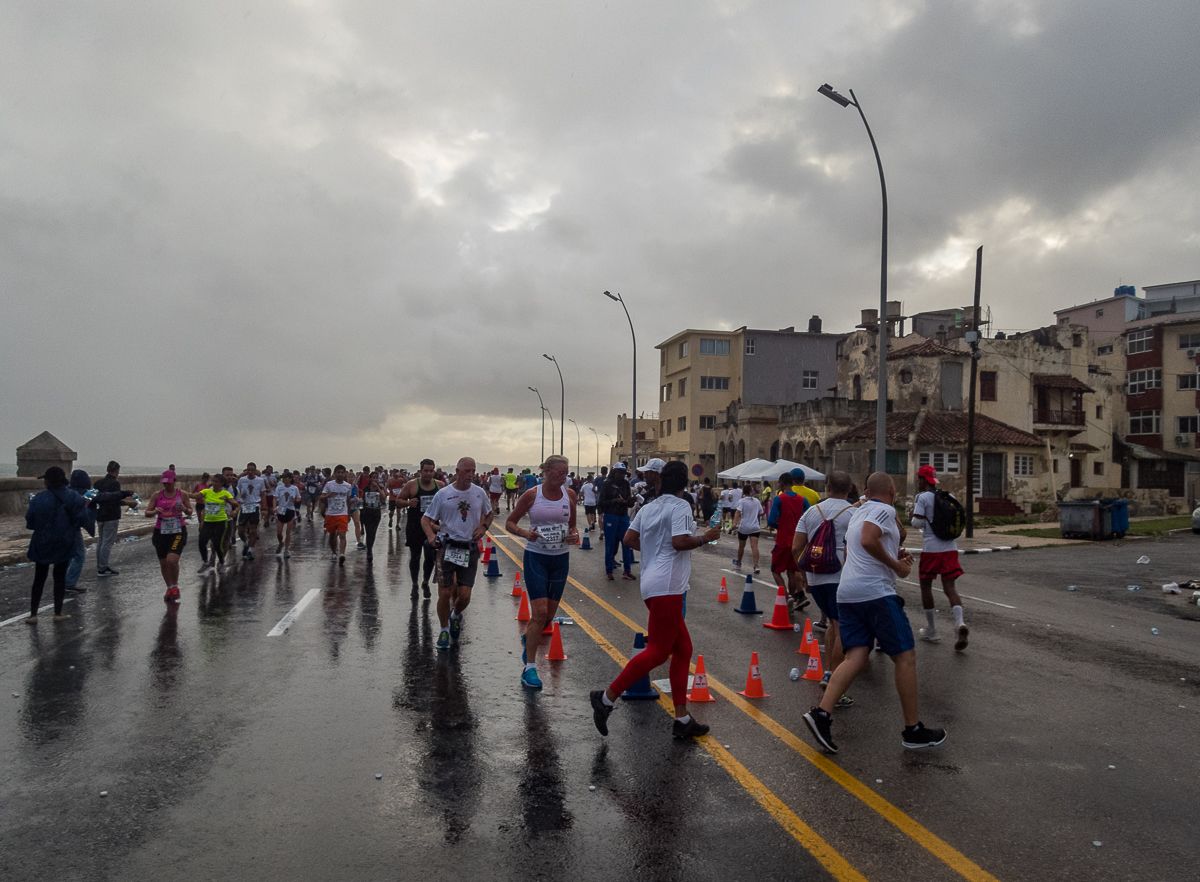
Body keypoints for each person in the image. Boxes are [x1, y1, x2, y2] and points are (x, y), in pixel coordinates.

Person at [803, 472, 946, 754]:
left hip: (847, 592)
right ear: (892, 490)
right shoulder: (884, 509)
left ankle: (821, 714)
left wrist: (895, 554)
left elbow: (855, 549)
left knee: (855, 655)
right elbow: (869, 540)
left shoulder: (859, 512)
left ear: (866, 491)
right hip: (875, 594)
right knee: (905, 656)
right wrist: (894, 565)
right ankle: (913, 729)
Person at [590, 461, 721, 739]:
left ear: (661, 480)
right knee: (659, 651)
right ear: (685, 483)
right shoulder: (681, 505)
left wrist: (653, 550)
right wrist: (705, 538)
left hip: (652, 582)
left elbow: (628, 539)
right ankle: (605, 699)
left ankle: (682, 719)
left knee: (683, 649)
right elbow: (680, 542)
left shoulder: (648, 507)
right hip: (668, 585)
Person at [506, 455, 579, 689]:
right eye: (560, 472)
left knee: (547, 617)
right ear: (546, 471)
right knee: (538, 614)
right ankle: (529, 669)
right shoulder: (532, 495)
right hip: (536, 557)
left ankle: (530, 638)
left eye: (566, 472)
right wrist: (525, 533)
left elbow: (573, 527)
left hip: (560, 559)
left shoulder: (570, 495)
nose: (564, 476)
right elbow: (510, 522)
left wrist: (574, 536)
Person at [793, 470, 857, 706]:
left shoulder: (811, 512)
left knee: (833, 623)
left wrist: (805, 577)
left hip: (817, 577)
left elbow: (796, 547)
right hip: (842, 576)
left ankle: (829, 671)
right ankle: (834, 684)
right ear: (849, 489)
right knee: (842, 627)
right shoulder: (855, 513)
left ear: (827, 488)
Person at [422, 457, 494, 651]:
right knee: (445, 592)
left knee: (464, 595)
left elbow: (490, 513)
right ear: (458, 471)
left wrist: (484, 527)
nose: (471, 475)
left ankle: (455, 616)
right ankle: (444, 629)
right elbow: (426, 519)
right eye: (467, 471)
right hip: (447, 547)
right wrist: (431, 536)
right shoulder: (444, 493)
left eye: (474, 471)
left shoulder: (479, 493)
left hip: (469, 548)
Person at [910, 465, 969, 651]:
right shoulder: (948, 496)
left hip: (931, 550)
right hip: (950, 548)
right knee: (950, 587)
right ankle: (959, 623)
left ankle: (932, 630)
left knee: (926, 587)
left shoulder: (922, 498)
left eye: (919, 479)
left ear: (921, 480)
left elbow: (916, 522)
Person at [24, 467, 87, 624]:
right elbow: (80, 518)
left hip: (42, 542)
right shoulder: (73, 497)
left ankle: (33, 615)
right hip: (63, 541)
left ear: (48, 481)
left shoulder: (38, 499)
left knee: (39, 578)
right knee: (59, 578)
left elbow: (30, 521)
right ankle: (58, 613)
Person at [767, 469, 811, 618]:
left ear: (782, 484)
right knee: (792, 572)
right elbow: (808, 518)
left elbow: (771, 520)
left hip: (783, 540)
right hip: (797, 542)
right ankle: (792, 599)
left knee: (775, 570)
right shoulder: (802, 500)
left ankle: (787, 596)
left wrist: (781, 525)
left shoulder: (779, 499)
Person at [398, 459, 445, 597]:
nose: (429, 474)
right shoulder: (412, 485)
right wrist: (408, 503)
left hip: (432, 528)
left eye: (431, 471)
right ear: (420, 471)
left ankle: (425, 582)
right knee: (415, 556)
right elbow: (398, 501)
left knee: (430, 557)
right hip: (415, 527)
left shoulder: (440, 486)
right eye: (426, 471)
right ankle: (414, 584)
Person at [145, 470, 193, 602]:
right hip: (160, 532)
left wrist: (184, 509)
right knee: (164, 563)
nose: (166, 485)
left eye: (168, 483)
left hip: (177, 531)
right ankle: (170, 587)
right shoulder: (157, 495)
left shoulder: (182, 494)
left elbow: (190, 512)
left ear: (174, 481)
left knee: (172, 560)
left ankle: (175, 586)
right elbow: (147, 512)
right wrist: (154, 511)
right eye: (164, 483)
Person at [91, 460, 135, 577]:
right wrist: (127, 502)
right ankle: (103, 568)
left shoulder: (97, 483)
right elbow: (114, 499)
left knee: (101, 541)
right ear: (116, 471)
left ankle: (100, 566)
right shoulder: (115, 484)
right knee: (107, 542)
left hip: (100, 515)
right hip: (111, 515)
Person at [191, 475, 240, 573]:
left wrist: (228, 501)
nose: (213, 483)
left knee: (218, 544)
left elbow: (236, 504)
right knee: (202, 542)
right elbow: (194, 495)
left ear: (221, 483)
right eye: (212, 481)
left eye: (216, 481)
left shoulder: (225, 493)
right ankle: (205, 562)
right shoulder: (207, 491)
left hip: (220, 522)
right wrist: (179, 492)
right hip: (208, 522)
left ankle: (221, 563)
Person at [598, 462, 635, 581]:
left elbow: (628, 501)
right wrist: (614, 501)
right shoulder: (607, 484)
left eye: (623, 473)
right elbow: (601, 503)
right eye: (619, 472)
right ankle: (609, 571)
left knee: (626, 543)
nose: (621, 475)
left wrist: (631, 501)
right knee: (610, 544)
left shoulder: (625, 484)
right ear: (614, 472)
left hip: (623, 516)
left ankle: (627, 571)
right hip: (611, 516)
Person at [65, 470, 96, 593]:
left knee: (67, 554)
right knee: (80, 555)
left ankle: (61, 580)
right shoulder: (84, 494)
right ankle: (70, 582)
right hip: (74, 528)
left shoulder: (66, 492)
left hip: (64, 528)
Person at [321, 465, 354, 565]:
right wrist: (328, 495)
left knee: (342, 534)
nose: (340, 474)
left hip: (342, 513)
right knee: (332, 536)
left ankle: (342, 554)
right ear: (335, 473)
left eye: (342, 472)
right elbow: (321, 497)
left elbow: (348, 500)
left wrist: (348, 514)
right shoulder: (329, 485)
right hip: (331, 513)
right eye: (338, 472)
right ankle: (334, 551)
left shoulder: (347, 486)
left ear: (345, 474)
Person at [234, 463, 265, 561]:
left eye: (252, 470)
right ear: (246, 470)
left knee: (253, 530)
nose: (250, 472)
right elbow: (237, 491)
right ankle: (245, 544)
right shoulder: (242, 480)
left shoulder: (260, 480)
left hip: (254, 506)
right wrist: (240, 497)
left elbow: (263, 494)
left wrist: (264, 508)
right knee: (240, 531)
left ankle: (250, 551)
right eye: (248, 470)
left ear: (255, 470)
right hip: (244, 506)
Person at [732, 482, 764, 573]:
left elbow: (738, 512)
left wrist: (734, 523)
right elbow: (761, 512)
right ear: (751, 491)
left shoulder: (741, 501)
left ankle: (739, 562)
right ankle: (756, 566)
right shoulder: (756, 501)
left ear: (743, 491)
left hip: (744, 527)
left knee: (741, 546)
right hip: (755, 527)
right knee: (754, 546)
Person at [274, 471, 302, 557]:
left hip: (290, 510)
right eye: (283, 477)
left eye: (286, 477)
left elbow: (299, 499)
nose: (284, 479)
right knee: (279, 532)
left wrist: (295, 500)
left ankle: (286, 550)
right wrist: (274, 507)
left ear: (290, 479)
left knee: (288, 532)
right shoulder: (279, 488)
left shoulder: (294, 488)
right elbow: (274, 498)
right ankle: (280, 543)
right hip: (281, 510)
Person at [358, 472, 385, 561]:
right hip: (367, 512)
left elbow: (383, 498)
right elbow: (362, 498)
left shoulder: (380, 488)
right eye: (373, 477)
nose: (374, 479)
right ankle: (369, 550)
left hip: (376, 513)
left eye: (376, 478)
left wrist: (377, 487)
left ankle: (370, 548)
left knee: (373, 532)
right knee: (369, 531)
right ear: (370, 479)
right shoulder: (366, 488)